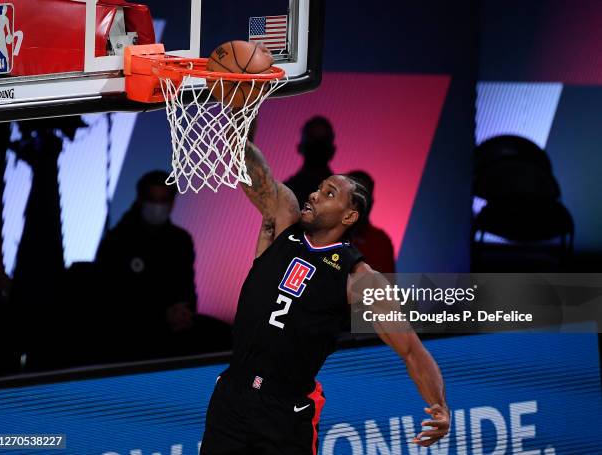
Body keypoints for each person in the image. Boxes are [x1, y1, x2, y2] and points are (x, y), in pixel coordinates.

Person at [200, 139, 450, 454]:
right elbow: (248, 169)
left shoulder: (358, 278)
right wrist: (241, 119)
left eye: (329, 193)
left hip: (285, 412)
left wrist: (438, 405)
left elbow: (411, 350)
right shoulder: (284, 220)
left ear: (349, 217)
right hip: (232, 396)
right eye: (319, 188)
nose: (315, 195)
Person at [95, 170, 197, 360]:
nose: (157, 207)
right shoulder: (118, 239)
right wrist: (160, 315)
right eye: (152, 200)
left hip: (172, 340)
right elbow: (110, 298)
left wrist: (185, 311)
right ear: (141, 200)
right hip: (125, 340)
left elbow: (187, 287)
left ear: (172, 203)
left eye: (163, 200)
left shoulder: (181, 241)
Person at [347, 170, 395, 273]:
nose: (359, 203)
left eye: (364, 196)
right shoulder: (324, 231)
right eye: (354, 196)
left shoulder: (381, 241)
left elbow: (387, 285)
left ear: (371, 202)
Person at [284, 116, 336, 207]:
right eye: (313, 146)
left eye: (320, 146)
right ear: (332, 151)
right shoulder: (343, 195)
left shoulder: (286, 192)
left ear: (300, 148)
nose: (317, 151)